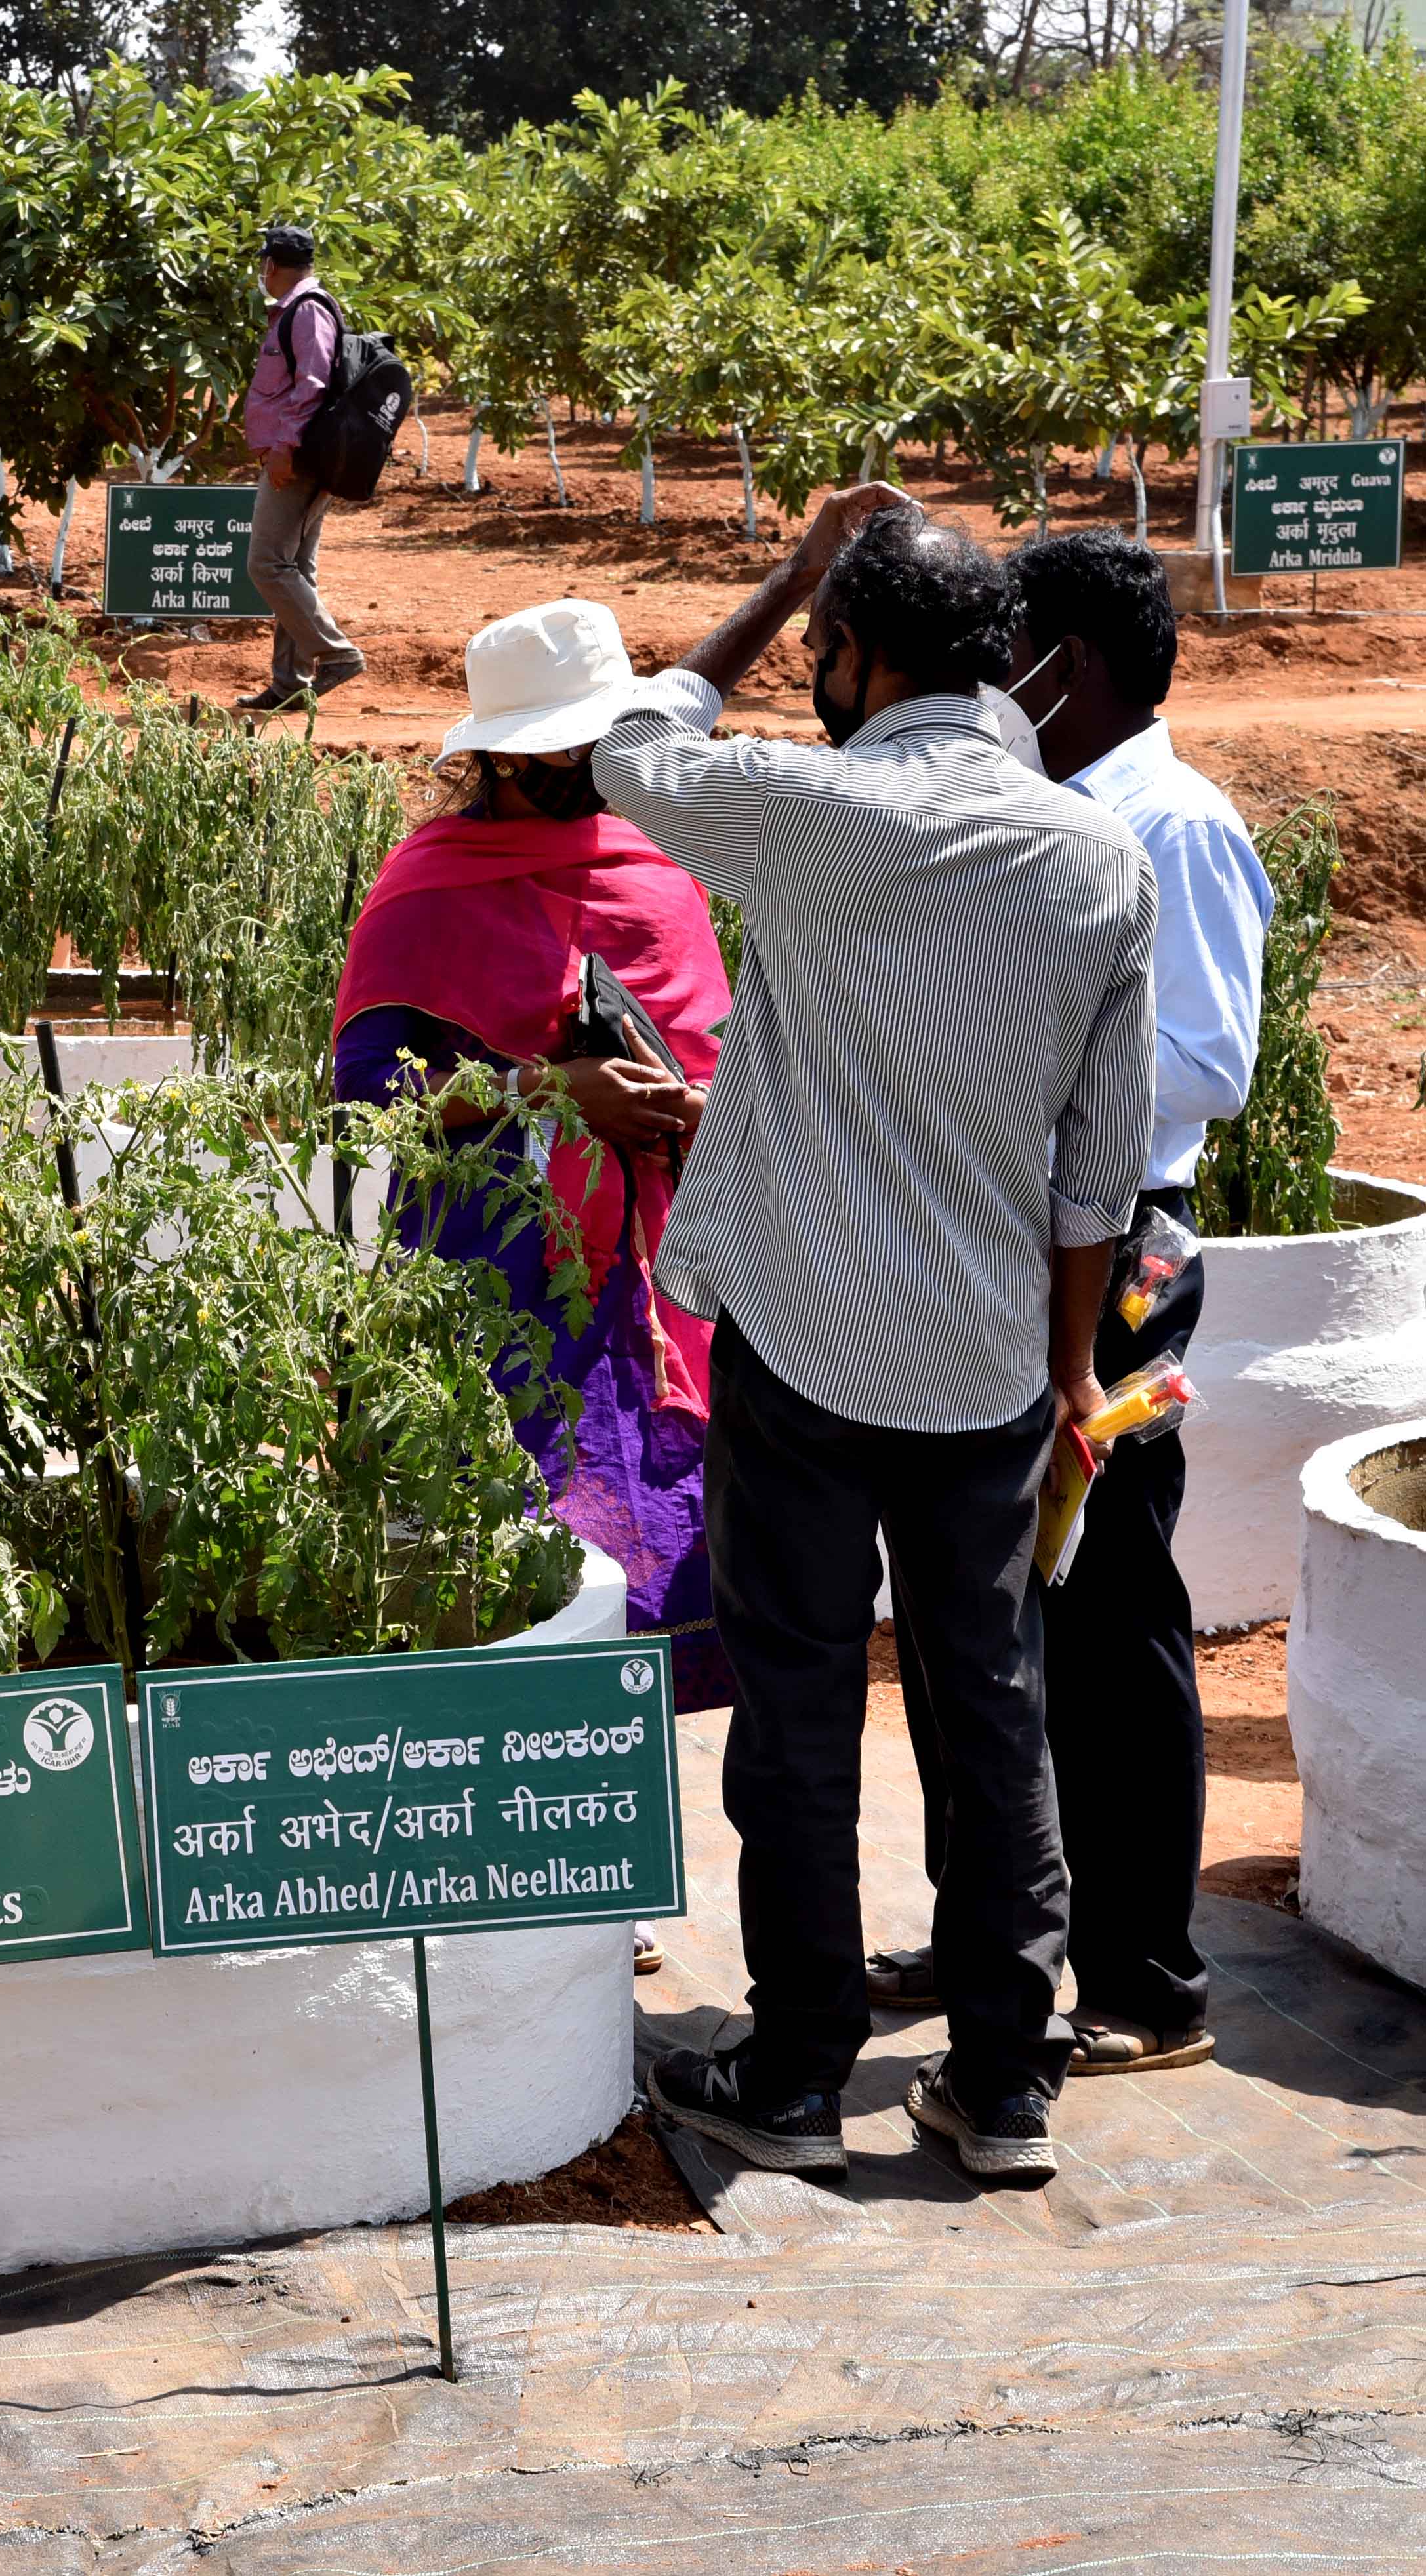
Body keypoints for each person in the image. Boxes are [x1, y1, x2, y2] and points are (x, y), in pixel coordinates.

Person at [604, 490, 1156, 2192]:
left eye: (827, 643)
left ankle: (791, 2062)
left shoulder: (803, 811)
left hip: (800, 1341)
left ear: (856, 656)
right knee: (984, 1704)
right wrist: (1069, 1370)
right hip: (986, 1361)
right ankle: (1000, 2081)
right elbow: (1095, 1173)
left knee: (793, 1713)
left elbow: (633, 739)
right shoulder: (1095, 863)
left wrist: (774, 578)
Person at [868, 529, 1270, 2080]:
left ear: (1071, 669)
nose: (982, 684)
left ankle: (1141, 1979)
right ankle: (986, 1938)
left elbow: (1201, 1066)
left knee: (1103, 1619)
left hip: (1109, 1258)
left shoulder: (1168, 827)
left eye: (1005, 650)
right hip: (999, 1243)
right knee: (972, 1606)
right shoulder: (1042, 817)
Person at [332, 598, 732, 1717]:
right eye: (570, 745)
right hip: (494, 1274)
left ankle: (632, 1801)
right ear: (506, 757)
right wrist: (550, 1087)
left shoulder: (654, 871)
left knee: (664, 1526)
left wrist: (694, 1107)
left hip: (655, 1290)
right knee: (504, 1537)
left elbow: (717, 1050)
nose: (590, 764)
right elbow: (366, 1095)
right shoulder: (429, 886)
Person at [236, 222, 363, 713]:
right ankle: (291, 682)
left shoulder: (306, 311)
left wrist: (284, 446)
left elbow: (310, 386)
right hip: (300, 455)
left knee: (266, 564)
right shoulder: (298, 310)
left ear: (270, 265)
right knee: (295, 568)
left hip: (299, 459)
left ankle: (336, 653)